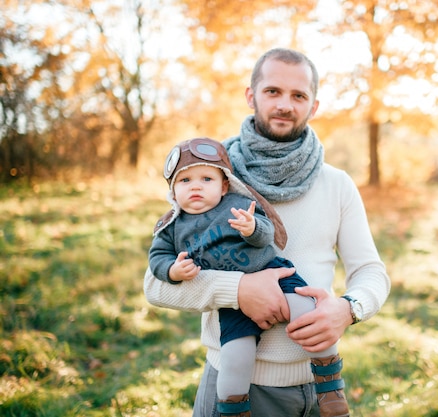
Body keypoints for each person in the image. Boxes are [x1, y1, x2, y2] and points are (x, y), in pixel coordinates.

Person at [144, 47, 390, 417]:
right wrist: (238, 290)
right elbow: (156, 284)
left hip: (319, 389)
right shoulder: (210, 176)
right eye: (272, 91)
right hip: (235, 388)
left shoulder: (336, 184)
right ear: (251, 96)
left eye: (298, 95)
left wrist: (347, 309)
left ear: (314, 106)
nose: (284, 105)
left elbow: (371, 272)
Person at [148, 137, 350, 417]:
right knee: (235, 357)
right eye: (185, 181)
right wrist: (172, 270)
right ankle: (234, 409)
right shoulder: (172, 226)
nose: (195, 186)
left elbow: (267, 233)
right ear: (172, 190)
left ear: (224, 185)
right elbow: (157, 258)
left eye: (206, 178)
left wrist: (251, 227)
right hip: (232, 304)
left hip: (275, 274)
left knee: (310, 312)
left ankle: (330, 386)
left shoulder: (236, 204)